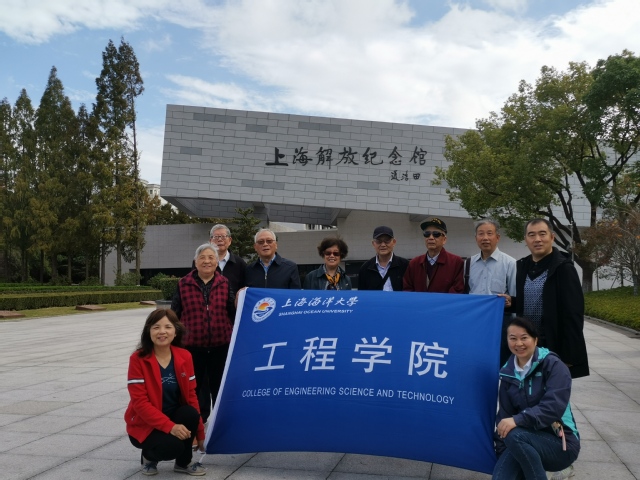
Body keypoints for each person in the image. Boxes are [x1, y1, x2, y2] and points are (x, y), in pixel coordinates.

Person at [493, 317, 580, 480]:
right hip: (521, 442)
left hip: (560, 444)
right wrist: (502, 455)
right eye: (513, 338)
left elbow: (553, 407)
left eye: (524, 337)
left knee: (515, 434)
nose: (519, 343)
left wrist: (518, 420)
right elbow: (504, 417)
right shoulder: (507, 373)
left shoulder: (553, 365)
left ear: (535, 339)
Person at [125, 308, 206, 476]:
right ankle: (148, 457)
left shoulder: (185, 356)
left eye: (168, 327)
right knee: (172, 448)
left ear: (175, 331)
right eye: (156, 327)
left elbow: (191, 396)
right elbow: (140, 403)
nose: (162, 331)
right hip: (146, 423)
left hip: (174, 416)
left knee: (190, 413)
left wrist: (200, 433)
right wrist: (171, 427)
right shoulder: (138, 359)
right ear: (148, 332)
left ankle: (183, 463)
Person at [510, 218, 589, 380]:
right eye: (531, 235)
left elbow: (573, 314)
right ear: (525, 239)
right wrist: (511, 302)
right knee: (527, 390)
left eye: (542, 234)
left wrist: (569, 356)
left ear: (552, 237)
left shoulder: (563, 268)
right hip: (526, 345)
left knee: (551, 392)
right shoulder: (522, 266)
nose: (537, 239)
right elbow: (532, 301)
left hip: (552, 345)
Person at [171, 244, 235, 425]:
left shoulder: (224, 283)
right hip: (192, 347)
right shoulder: (184, 283)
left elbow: (232, 312)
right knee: (194, 387)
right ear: (195, 261)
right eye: (202, 258)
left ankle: (221, 422)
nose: (207, 261)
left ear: (217, 262)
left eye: (211, 257)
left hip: (220, 346)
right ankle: (196, 420)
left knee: (220, 386)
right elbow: (175, 313)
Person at [466, 219, 517, 364]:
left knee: (499, 360)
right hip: (474, 322)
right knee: (474, 358)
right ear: (475, 238)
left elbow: (514, 296)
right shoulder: (468, 263)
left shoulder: (510, 263)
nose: (485, 238)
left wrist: (510, 302)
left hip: (499, 323)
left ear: (497, 237)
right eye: (481, 234)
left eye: (489, 233)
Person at [403, 217, 464, 293]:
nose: (431, 238)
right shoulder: (414, 263)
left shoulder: (456, 262)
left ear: (444, 240)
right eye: (427, 234)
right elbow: (407, 289)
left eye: (436, 234)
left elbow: (457, 290)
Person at [357, 226, 409, 291]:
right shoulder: (365, 269)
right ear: (373, 244)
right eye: (379, 241)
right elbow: (362, 294)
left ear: (394, 242)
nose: (383, 245)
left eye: (387, 240)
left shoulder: (405, 266)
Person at [209, 224, 246, 294]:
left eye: (223, 236)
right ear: (210, 241)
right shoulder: (202, 262)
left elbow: (244, 289)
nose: (220, 239)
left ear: (230, 240)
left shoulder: (240, 263)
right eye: (216, 237)